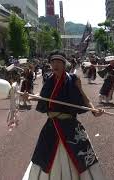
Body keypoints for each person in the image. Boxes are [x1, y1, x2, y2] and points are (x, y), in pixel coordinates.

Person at [24, 51, 105, 179]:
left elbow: (84, 98)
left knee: (77, 158)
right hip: (51, 126)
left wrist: (94, 110)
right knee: (46, 157)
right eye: (53, 62)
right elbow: (42, 96)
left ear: (64, 64)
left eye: (58, 62)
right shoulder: (49, 79)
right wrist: (30, 96)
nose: (55, 65)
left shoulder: (73, 79)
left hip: (70, 126)